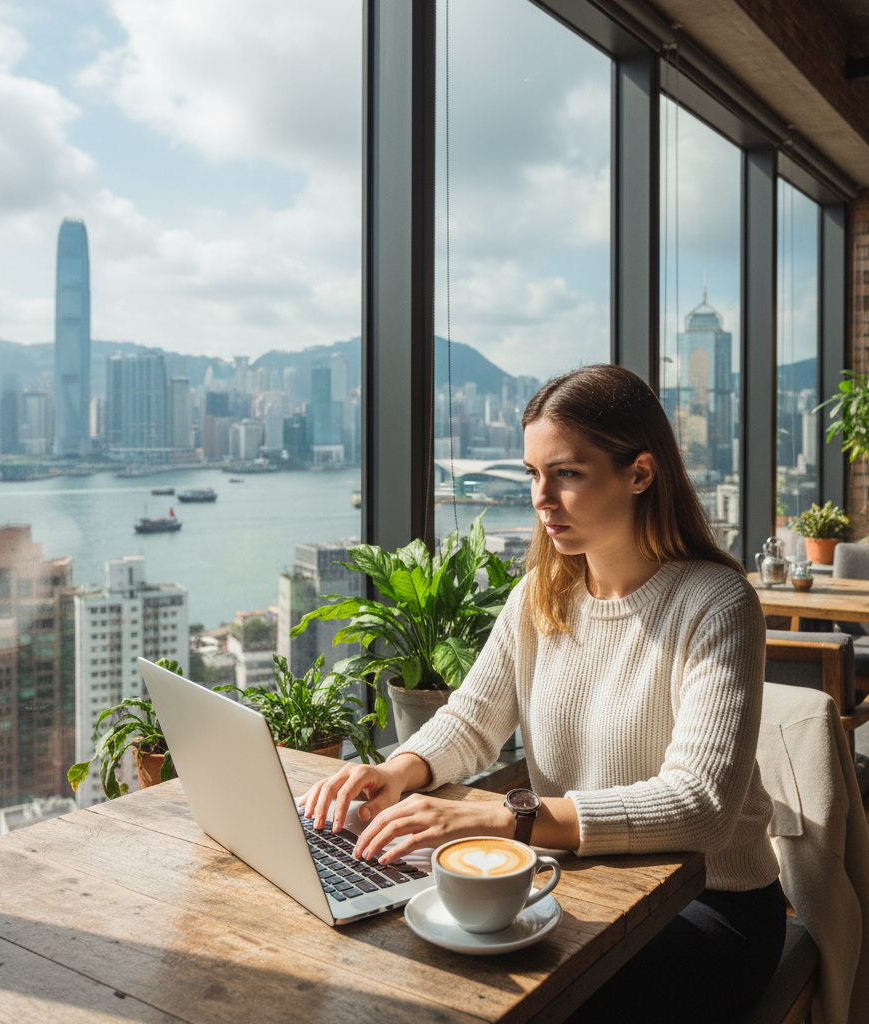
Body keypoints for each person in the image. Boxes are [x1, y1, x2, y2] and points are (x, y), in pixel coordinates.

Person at [299, 364, 785, 1022]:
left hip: (708, 909)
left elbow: (701, 809)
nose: (541, 498)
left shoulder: (717, 603)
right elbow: (472, 720)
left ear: (640, 474)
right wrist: (395, 771)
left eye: (568, 473)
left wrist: (508, 817)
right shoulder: (541, 593)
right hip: (576, 884)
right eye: (532, 474)